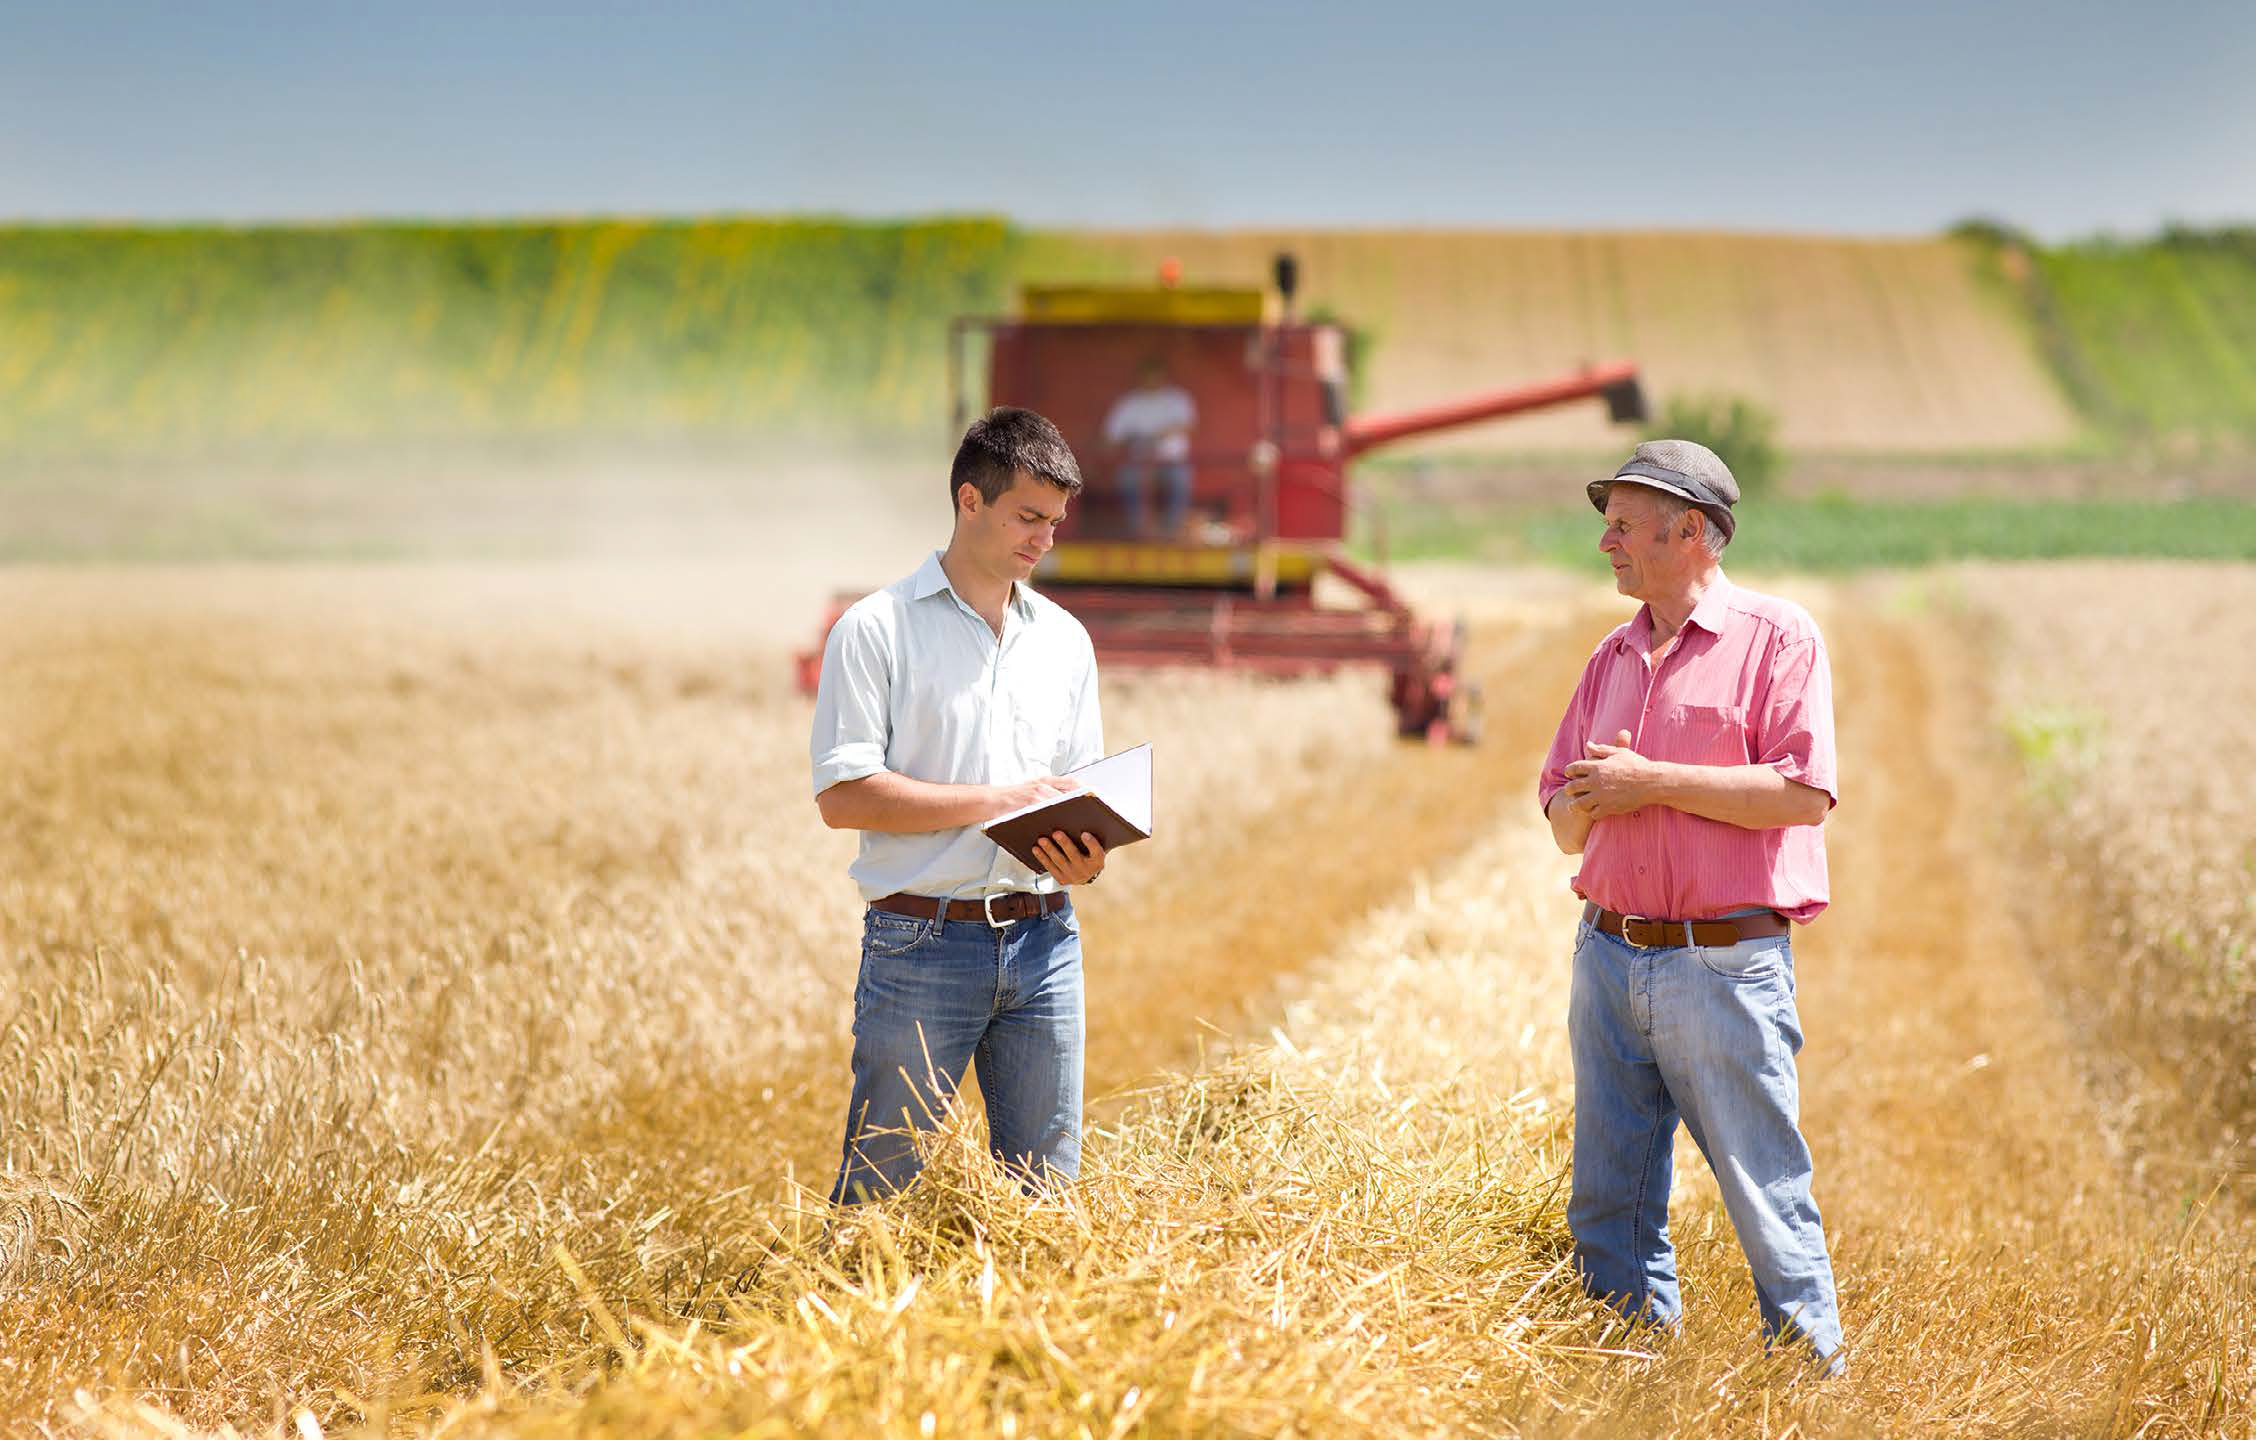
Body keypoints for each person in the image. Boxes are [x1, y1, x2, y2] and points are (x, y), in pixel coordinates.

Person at [1536, 439, 1845, 1372]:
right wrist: (1589, 798)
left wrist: (1649, 782)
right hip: (1608, 956)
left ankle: (1808, 1382)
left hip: (1726, 964)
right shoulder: (1612, 654)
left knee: (1763, 1188)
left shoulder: (1778, 638)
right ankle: (1630, 1381)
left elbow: (1802, 794)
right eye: (1608, 526)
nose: (1607, 545)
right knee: (1608, 1199)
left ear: (1693, 533)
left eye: (1624, 526)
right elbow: (1559, 820)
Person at [810, 406, 1109, 1203]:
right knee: (882, 1198)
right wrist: (997, 801)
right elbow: (842, 797)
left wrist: (1087, 856)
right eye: (1029, 517)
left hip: (1048, 944)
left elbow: (1073, 791)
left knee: (1046, 1203)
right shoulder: (875, 630)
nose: (1044, 539)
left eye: (1055, 522)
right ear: (969, 501)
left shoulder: (1066, 642)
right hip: (920, 947)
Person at [1099, 358, 1196, 539]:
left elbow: (1187, 425)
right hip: (1138, 462)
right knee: (1126, 478)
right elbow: (1111, 437)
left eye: (1156, 375)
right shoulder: (1129, 403)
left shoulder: (1177, 399)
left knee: (1181, 479)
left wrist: (1159, 434)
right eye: (1148, 376)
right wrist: (1129, 439)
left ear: (1163, 376)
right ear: (1140, 377)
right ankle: (1139, 528)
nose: (1152, 380)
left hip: (1172, 461)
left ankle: (1172, 529)